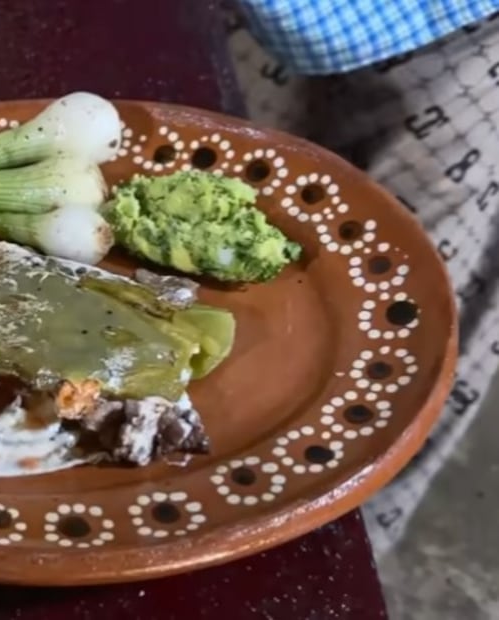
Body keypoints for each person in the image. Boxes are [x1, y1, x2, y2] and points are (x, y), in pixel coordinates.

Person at [227, 0, 499, 556]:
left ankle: (328, 562)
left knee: (411, 333)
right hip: (280, 18)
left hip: (464, 39)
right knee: (233, 220)